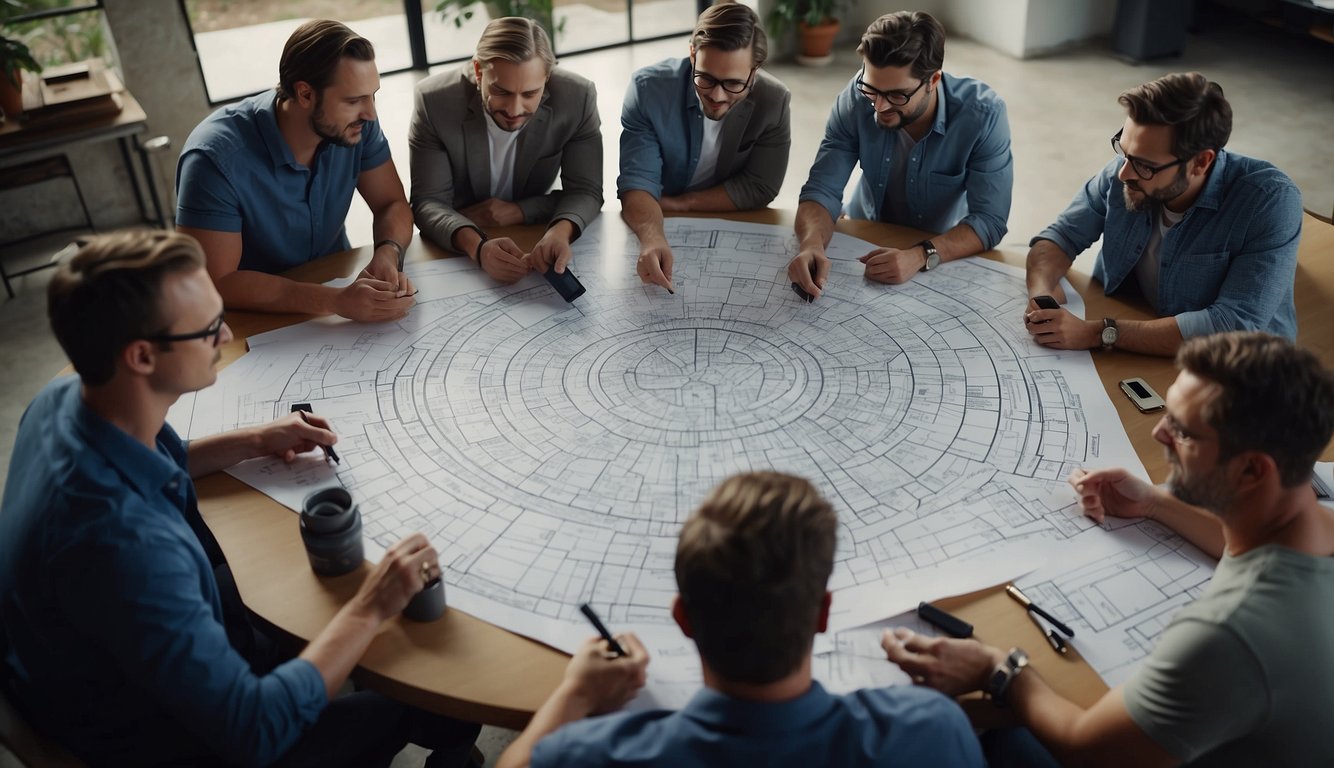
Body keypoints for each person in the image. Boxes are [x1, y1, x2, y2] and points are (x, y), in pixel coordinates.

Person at [0, 230, 480, 766]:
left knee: (291, 586)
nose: (226, 333)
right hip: (161, 740)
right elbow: (255, 730)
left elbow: (157, 460)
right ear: (140, 356)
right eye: (208, 329)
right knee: (436, 691)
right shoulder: (124, 546)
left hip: (83, 660)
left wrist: (252, 440)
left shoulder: (68, 396)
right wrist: (372, 607)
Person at [885, 331, 1334, 767]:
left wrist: (998, 668)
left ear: (1253, 471)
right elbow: (1247, 538)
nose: (1158, 432)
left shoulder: (1229, 636)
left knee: (986, 738)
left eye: (1183, 431)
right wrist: (1156, 503)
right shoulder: (1314, 521)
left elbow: (1087, 751)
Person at [498, 472, 985, 768]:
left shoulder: (596, 756)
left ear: (683, 618)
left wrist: (577, 693)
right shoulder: (932, 731)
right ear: (822, 613)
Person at [1023, 73, 1302, 356]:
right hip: (1139, 324)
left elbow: (1234, 324)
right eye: (1124, 149)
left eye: (1144, 165)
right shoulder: (1126, 171)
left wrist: (1099, 332)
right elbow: (1061, 235)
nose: (1124, 173)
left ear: (1200, 162)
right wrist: (1041, 290)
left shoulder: (1269, 201)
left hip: (1233, 366)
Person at [177, 20, 416, 323]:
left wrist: (388, 253)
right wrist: (337, 301)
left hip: (338, 289)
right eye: (353, 100)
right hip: (254, 317)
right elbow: (216, 281)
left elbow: (390, 204)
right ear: (304, 94)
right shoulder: (214, 159)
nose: (370, 113)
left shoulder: (355, 126)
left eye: (372, 95)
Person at [790, 11, 1012, 299]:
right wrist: (811, 244)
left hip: (942, 243)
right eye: (871, 89)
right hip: (866, 229)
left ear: (933, 80)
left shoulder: (984, 115)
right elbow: (822, 189)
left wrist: (921, 255)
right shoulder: (856, 98)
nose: (879, 107)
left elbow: (989, 220)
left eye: (897, 95)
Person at [409, 17, 602, 282]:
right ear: (478, 72)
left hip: (532, 233)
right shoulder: (434, 101)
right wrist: (478, 247)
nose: (514, 110)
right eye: (501, 91)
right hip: (458, 242)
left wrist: (557, 230)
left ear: (547, 77)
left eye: (530, 94)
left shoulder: (578, 98)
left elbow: (586, 190)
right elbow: (428, 202)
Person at [620, 3, 792, 293]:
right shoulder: (647, 89)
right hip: (658, 219)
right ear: (692, 54)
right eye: (706, 78)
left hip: (725, 224)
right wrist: (652, 237)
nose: (717, 95)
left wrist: (681, 203)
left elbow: (761, 186)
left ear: (755, 70)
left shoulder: (774, 101)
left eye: (734, 83)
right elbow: (638, 181)